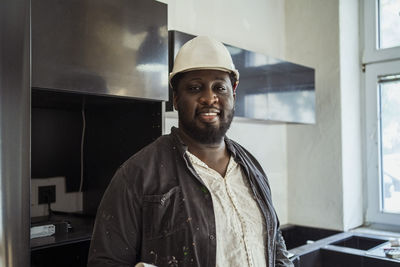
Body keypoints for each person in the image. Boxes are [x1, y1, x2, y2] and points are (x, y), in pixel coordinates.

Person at [88, 36, 293, 267]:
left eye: (219, 87)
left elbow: (275, 247)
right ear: (176, 99)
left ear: (233, 95)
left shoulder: (251, 167)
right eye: (195, 88)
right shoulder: (137, 175)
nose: (209, 98)